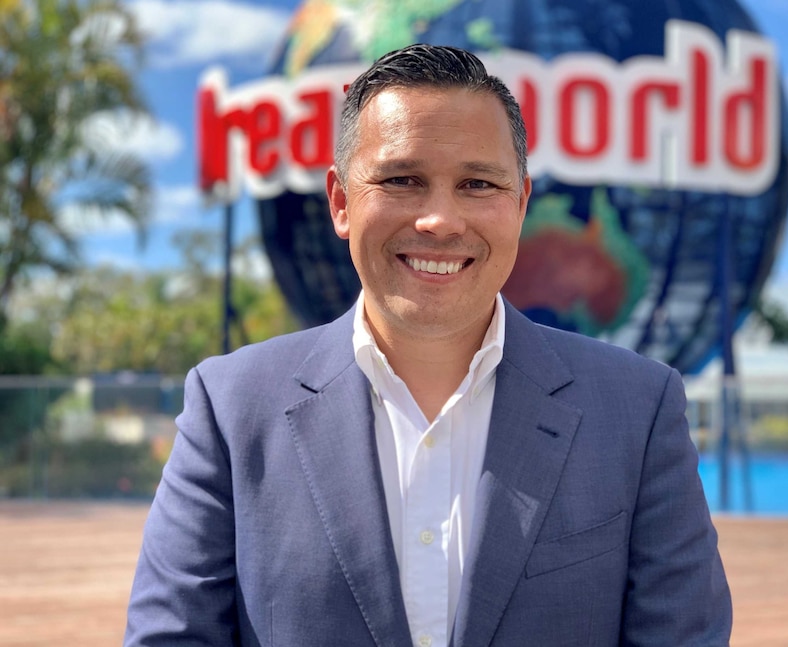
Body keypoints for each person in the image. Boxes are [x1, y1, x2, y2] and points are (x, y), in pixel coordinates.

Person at [125, 44, 731, 646]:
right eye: (402, 180)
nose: (440, 219)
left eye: (477, 183)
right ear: (340, 202)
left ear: (521, 204)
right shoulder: (230, 410)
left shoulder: (637, 410)